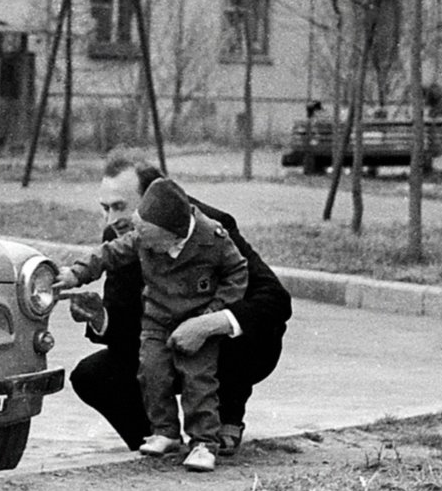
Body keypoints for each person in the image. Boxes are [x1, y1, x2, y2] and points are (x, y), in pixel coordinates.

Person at [66, 153, 292, 459]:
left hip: (217, 345)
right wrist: (101, 318)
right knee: (92, 375)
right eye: (105, 208)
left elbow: (274, 299)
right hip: (163, 337)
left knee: (249, 328)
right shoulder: (120, 237)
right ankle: (160, 439)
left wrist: (207, 324)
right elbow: (128, 329)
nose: (111, 220)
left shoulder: (211, 228)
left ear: (154, 199)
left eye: (120, 207)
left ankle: (228, 417)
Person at [55, 178, 247, 472]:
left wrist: (213, 314)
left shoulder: (213, 238)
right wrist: (76, 274)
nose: (142, 242)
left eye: (149, 239)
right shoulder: (143, 235)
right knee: (152, 373)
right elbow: (110, 253)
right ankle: (166, 432)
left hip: (196, 322)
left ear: (173, 237)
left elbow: (237, 273)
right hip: (156, 319)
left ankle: (204, 443)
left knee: (199, 382)